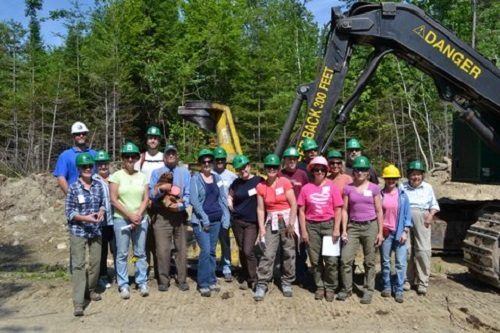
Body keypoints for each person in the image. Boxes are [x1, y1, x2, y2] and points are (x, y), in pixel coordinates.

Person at [337, 156, 384, 304]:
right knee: (345, 259)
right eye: (357, 169)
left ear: (368, 172)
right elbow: (344, 209)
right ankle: (347, 289)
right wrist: (344, 230)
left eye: (364, 170)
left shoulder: (374, 188)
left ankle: (368, 290)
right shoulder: (348, 188)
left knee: (369, 261)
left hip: (370, 226)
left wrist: (380, 232)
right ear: (354, 171)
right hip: (354, 226)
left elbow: (379, 211)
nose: (360, 172)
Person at [297, 156, 343, 302]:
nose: (319, 172)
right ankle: (320, 286)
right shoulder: (306, 188)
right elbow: (302, 211)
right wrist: (304, 231)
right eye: (316, 169)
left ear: (326, 170)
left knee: (331, 260)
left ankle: (330, 287)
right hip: (312, 226)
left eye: (322, 169)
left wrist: (336, 229)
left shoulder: (332, 187)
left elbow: (338, 209)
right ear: (312, 171)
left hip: (329, 225)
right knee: (315, 260)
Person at [65, 152, 105, 316]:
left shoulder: (97, 185)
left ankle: (91, 289)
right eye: (84, 166)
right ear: (79, 169)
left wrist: (101, 212)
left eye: (90, 166)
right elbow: (69, 212)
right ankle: (79, 302)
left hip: (95, 230)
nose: (88, 168)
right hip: (79, 230)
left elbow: (103, 203)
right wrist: (85, 218)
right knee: (79, 265)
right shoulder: (73, 188)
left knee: (95, 263)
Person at [254, 154, 297, 301]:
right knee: (268, 253)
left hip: (286, 221)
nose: (271, 169)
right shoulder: (261, 186)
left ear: (278, 168)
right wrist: (261, 228)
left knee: (288, 252)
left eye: (274, 167)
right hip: (271, 221)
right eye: (268, 167)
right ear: (265, 169)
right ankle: (262, 283)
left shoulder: (284, 182)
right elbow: (260, 209)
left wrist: (291, 223)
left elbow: (294, 204)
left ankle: (287, 282)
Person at [109, 142, 150, 300]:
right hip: (121, 219)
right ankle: (123, 284)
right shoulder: (116, 176)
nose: (130, 159)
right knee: (122, 253)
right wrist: (130, 215)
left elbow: (146, 198)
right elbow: (113, 200)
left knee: (139, 252)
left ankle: (141, 281)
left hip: (140, 218)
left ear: (137, 158)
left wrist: (138, 215)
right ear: (123, 158)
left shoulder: (142, 177)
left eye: (133, 156)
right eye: (127, 156)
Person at [149, 144, 191, 292]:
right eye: (168, 153)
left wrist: (180, 206)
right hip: (161, 214)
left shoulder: (184, 172)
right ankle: (163, 280)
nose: (171, 155)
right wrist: (161, 189)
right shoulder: (157, 172)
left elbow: (188, 194)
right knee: (162, 249)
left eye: (173, 153)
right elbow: (151, 194)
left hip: (179, 215)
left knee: (181, 249)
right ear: (164, 157)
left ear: (177, 155)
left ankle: (182, 279)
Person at [190, 149, 230, 297]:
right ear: (200, 164)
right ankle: (203, 283)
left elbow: (223, 198)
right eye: (204, 162)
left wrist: (225, 216)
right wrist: (204, 218)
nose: (207, 164)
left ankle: (212, 279)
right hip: (201, 222)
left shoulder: (217, 178)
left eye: (209, 161)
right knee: (205, 251)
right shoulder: (195, 178)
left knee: (212, 251)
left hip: (216, 220)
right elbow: (194, 201)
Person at [402, 160, 440, 296]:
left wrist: (430, 215)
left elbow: (434, 205)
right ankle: (407, 280)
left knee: (423, 250)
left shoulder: (428, 187)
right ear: (408, 175)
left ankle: (423, 282)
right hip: (405, 217)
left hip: (422, 217)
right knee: (406, 250)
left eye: (418, 174)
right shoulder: (402, 187)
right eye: (413, 174)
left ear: (422, 175)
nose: (415, 177)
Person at [134, 126, 164, 282]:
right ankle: (143, 271)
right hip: (144, 204)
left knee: (160, 240)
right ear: (146, 140)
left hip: (161, 205)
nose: (153, 140)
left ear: (159, 140)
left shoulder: (165, 157)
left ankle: (161, 271)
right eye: (150, 137)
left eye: (155, 137)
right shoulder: (140, 159)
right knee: (143, 239)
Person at [228, 155, 262, 290]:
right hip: (237, 221)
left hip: (251, 222)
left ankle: (254, 278)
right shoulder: (236, 183)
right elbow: (230, 195)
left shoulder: (259, 181)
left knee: (248, 250)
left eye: (244, 167)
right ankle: (245, 274)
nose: (242, 171)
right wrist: (231, 206)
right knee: (242, 249)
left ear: (249, 166)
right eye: (239, 169)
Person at [379, 164, 412, 303]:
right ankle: (386, 286)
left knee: (400, 262)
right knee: (385, 261)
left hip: (399, 233)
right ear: (384, 179)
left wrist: (405, 231)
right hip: (385, 233)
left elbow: (407, 216)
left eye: (393, 178)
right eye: (388, 178)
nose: (391, 181)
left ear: (397, 179)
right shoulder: (380, 195)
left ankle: (398, 289)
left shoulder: (403, 196)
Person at [279, 147, 309, 286]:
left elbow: (308, 193)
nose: (292, 161)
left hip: (300, 214)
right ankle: (286, 273)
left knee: (301, 246)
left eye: (294, 159)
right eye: (289, 159)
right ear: (284, 160)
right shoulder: (280, 174)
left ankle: (301, 274)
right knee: (286, 246)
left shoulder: (302, 174)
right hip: (284, 215)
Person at [212, 147, 237, 282]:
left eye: (222, 159)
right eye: (217, 159)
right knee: (212, 242)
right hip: (212, 213)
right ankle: (212, 267)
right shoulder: (208, 174)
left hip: (226, 214)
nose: (220, 162)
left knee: (225, 241)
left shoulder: (232, 176)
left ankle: (226, 267)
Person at [93, 150, 115, 290]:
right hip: (100, 223)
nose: (103, 167)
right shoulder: (93, 180)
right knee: (102, 252)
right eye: (100, 164)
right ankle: (102, 276)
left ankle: (120, 274)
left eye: (105, 163)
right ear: (96, 165)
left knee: (118, 250)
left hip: (115, 220)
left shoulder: (115, 178)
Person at [54, 121, 96, 195]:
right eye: (77, 134)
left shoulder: (94, 154)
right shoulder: (65, 156)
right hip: (76, 196)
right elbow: (61, 178)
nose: (81, 136)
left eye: (83, 133)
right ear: (73, 136)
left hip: (95, 196)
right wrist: (71, 196)